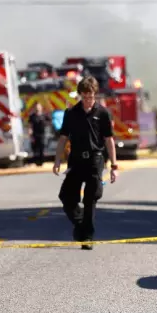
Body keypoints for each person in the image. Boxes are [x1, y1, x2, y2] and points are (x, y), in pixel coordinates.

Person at [52, 76, 118, 250]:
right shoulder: (71, 113)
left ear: (95, 94)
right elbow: (63, 138)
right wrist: (57, 160)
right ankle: (80, 224)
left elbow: (109, 140)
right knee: (66, 196)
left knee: (91, 198)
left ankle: (87, 237)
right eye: (85, 96)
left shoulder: (102, 113)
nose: (88, 100)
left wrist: (114, 166)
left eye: (91, 96)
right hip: (76, 160)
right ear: (80, 95)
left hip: (95, 160)